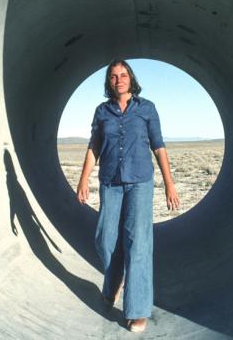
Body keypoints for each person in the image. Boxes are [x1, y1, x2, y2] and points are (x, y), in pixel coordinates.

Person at [77, 59, 180, 334]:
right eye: (113, 76)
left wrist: (169, 184)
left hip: (140, 183)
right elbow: (93, 147)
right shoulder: (102, 111)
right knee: (105, 238)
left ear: (130, 79)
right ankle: (113, 284)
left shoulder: (146, 109)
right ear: (108, 82)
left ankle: (137, 310)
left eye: (123, 75)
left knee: (138, 243)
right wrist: (83, 179)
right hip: (110, 182)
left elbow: (159, 147)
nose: (118, 79)